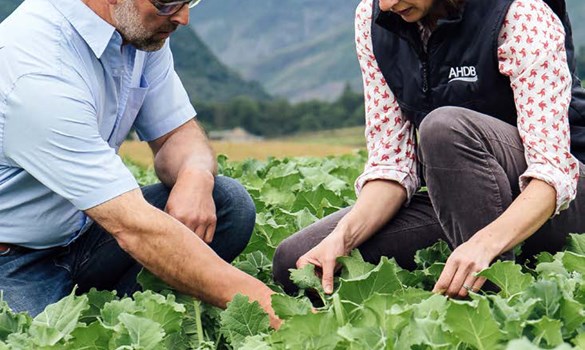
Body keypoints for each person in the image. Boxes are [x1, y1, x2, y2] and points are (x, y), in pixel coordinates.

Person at [273, 0, 585, 299]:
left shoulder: (519, 14)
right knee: (298, 260)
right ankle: (472, 263)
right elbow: (392, 167)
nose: (386, 4)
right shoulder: (374, 22)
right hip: (465, 202)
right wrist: (343, 239)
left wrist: (484, 244)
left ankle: (495, 297)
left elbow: (553, 173)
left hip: (561, 201)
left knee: (443, 128)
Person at [0, 0, 280, 328]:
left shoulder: (140, 33)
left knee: (227, 202)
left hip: (81, 234)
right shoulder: (36, 68)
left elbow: (178, 134)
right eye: (166, 3)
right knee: (45, 339)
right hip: (14, 258)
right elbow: (134, 227)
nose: (183, 17)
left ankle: (125, 318)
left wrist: (195, 176)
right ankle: (114, 321)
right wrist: (279, 315)